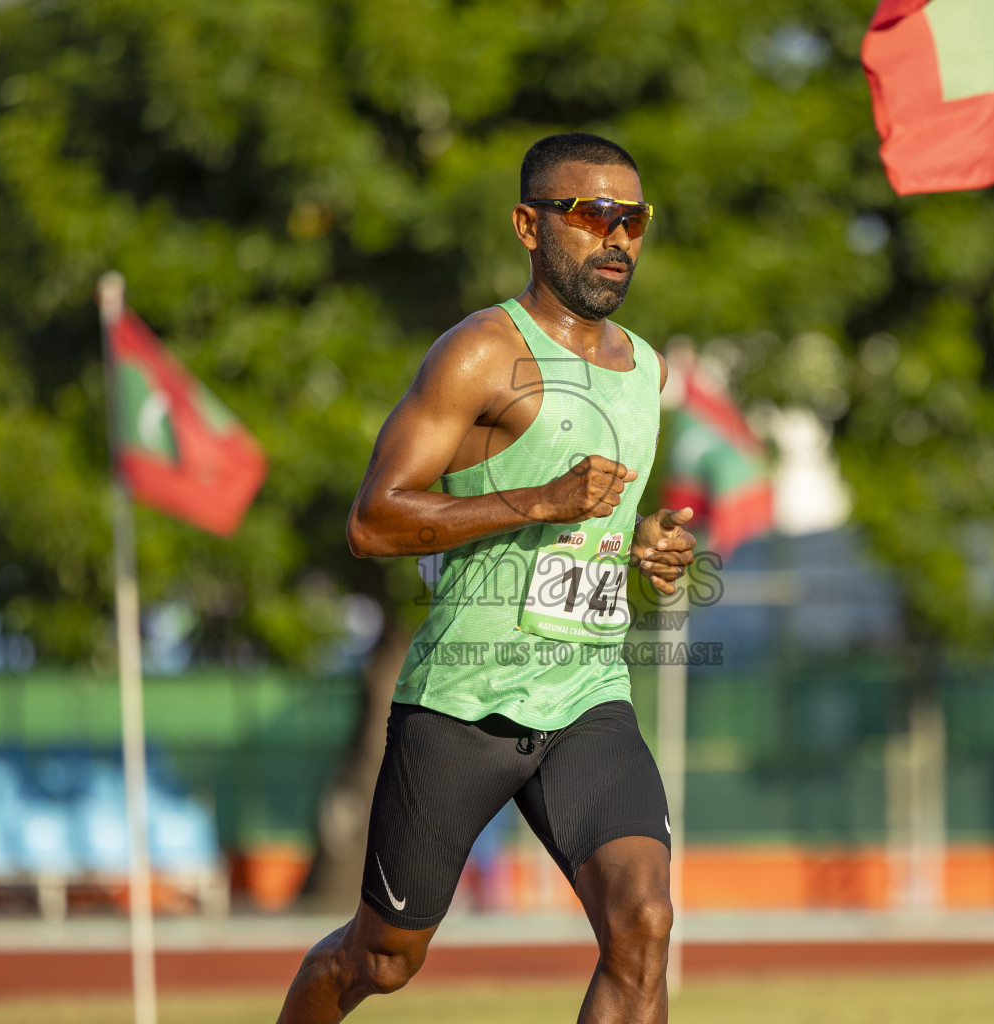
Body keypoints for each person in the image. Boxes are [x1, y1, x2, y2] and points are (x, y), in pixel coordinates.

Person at [276, 132, 697, 1024]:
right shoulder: (476, 354)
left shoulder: (646, 369)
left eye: (635, 220)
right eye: (592, 215)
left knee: (645, 924)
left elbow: (598, 518)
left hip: (587, 693)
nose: (617, 238)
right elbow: (373, 519)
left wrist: (642, 542)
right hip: (463, 702)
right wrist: (537, 500)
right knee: (381, 961)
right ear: (528, 224)